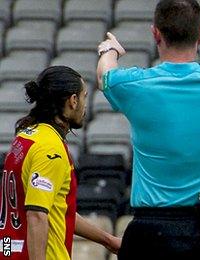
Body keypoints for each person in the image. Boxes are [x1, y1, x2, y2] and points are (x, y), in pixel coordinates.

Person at [95, 0, 200, 258]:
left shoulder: (135, 85)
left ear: (155, 33)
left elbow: (104, 76)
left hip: (152, 234)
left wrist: (109, 50)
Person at [1, 66, 121, 259]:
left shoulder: (26, 137)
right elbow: (37, 215)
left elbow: (59, 210)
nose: (84, 104)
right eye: (83, 96)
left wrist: (108, 240)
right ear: (73, 101)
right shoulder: (50, 149)